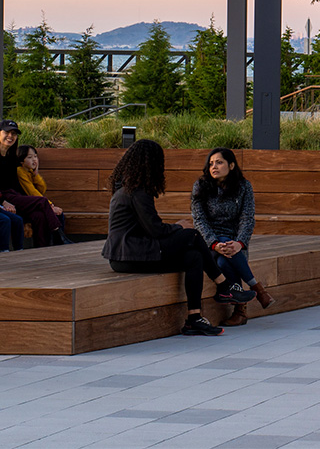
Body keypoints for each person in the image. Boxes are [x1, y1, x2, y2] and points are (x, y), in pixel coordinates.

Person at [102, 139, 248, 336]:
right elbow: (156, 230)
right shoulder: (138, 191)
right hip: (130, 255)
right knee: (192, 235)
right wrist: (179, 226)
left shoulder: (129, 188)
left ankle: (194, 319)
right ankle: (224, 285)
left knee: (194, 257)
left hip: (130, 254)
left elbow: (149, 229)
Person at [190, 147, 274, 326]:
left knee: (223, 262)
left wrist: (240, 243)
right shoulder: (200, 186)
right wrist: (214, 243)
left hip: (234, 240)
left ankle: (241, 310)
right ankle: (256, 290)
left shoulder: (244, 186)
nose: (214, 167)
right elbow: (199, 220)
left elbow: (247, 218)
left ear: (231, 165)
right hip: (209, 241)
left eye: (219, 162)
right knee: (223, 250)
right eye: (211, 163)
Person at [0, 121, 67, 246]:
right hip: (2, 198)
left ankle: (41, 250)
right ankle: (58, 235)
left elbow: (21, 186)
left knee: (39, 216)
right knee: (43, 202)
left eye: (14, 134)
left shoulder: (12, 158)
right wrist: (2, 201)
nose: (10, 136)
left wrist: (35, 172)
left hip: (15, 196)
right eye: (7, 132)